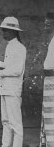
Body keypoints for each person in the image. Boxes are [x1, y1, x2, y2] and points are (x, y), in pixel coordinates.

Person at [0, 17, 26, 147]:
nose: (3, 33)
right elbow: (9, 66)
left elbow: (17, 71)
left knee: (15, 124)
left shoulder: (20, 48)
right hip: (5, 88)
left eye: (5, 31)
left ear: (13, 32)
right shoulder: (10, 47)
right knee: (5, 121)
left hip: (13, 90)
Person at [40, 12, 54, 146]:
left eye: (48, 24)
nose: (45, 27)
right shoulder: (52, 40)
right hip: (49, 82)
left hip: (53, 82)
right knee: (48, 116)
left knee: (52, 117)